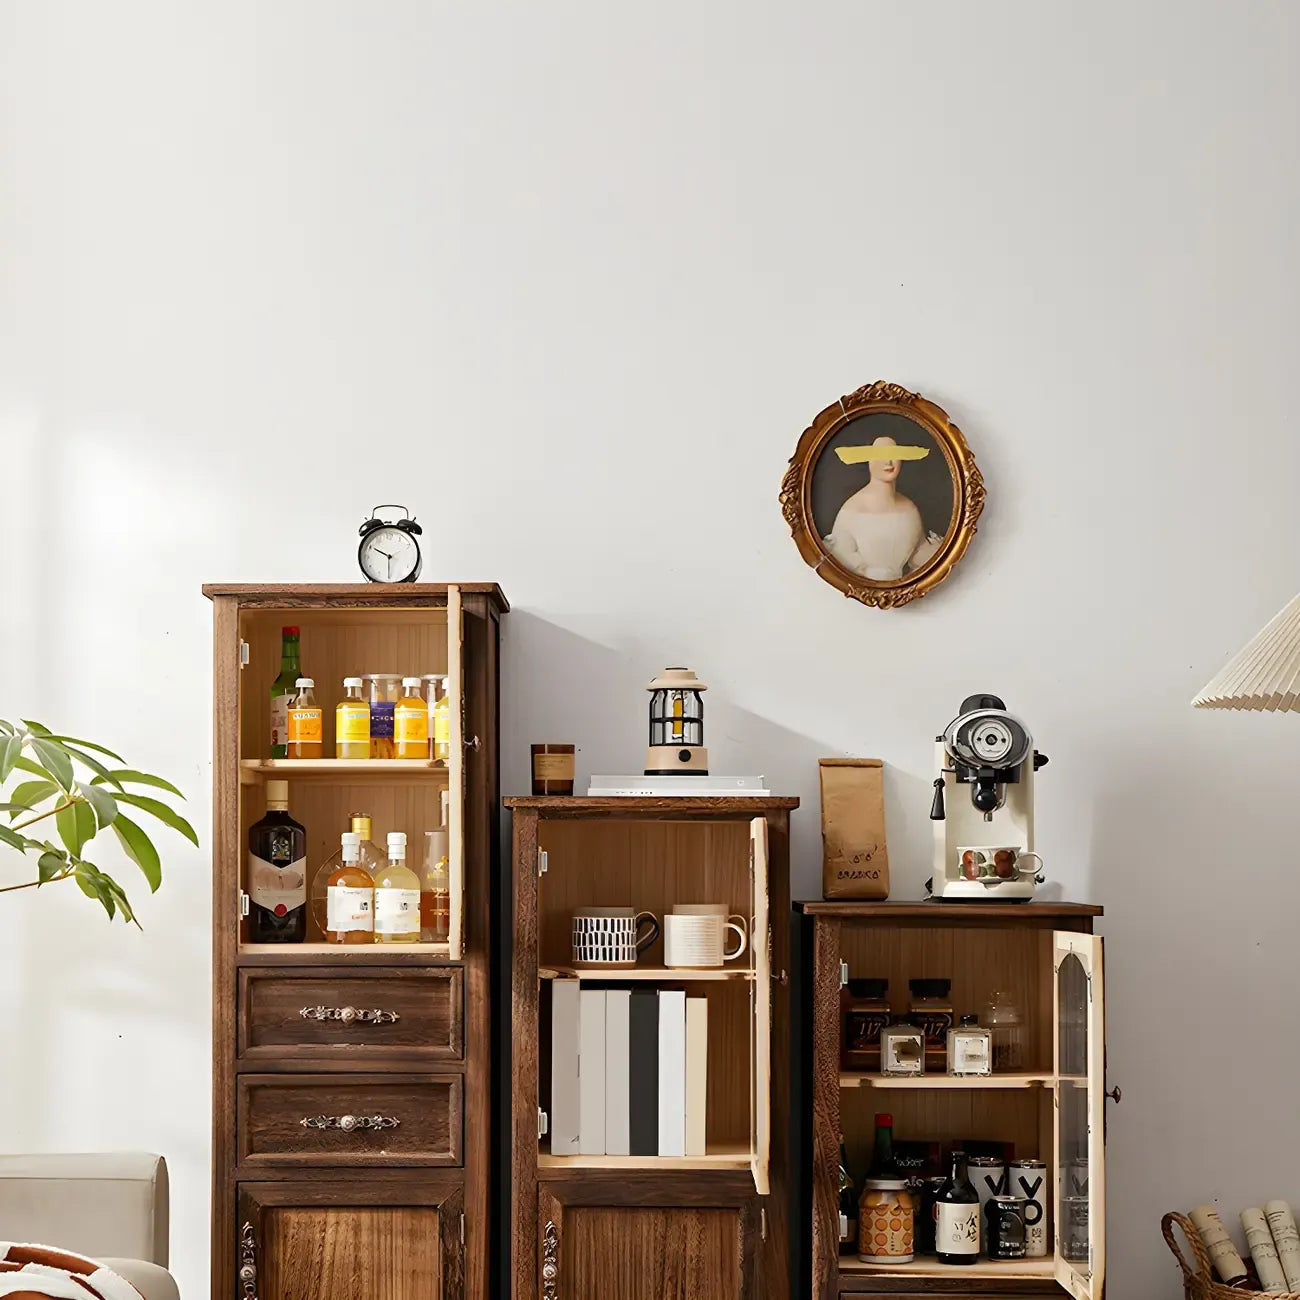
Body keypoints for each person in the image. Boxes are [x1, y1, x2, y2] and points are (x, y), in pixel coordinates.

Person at [823, 435, 943, 580]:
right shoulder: (852, 508)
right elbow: (841, 558)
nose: (888, 462)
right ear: (870, 462)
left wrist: (938, 552)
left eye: (894, 455)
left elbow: (917, 553)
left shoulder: (909, 508)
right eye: (880, 455)